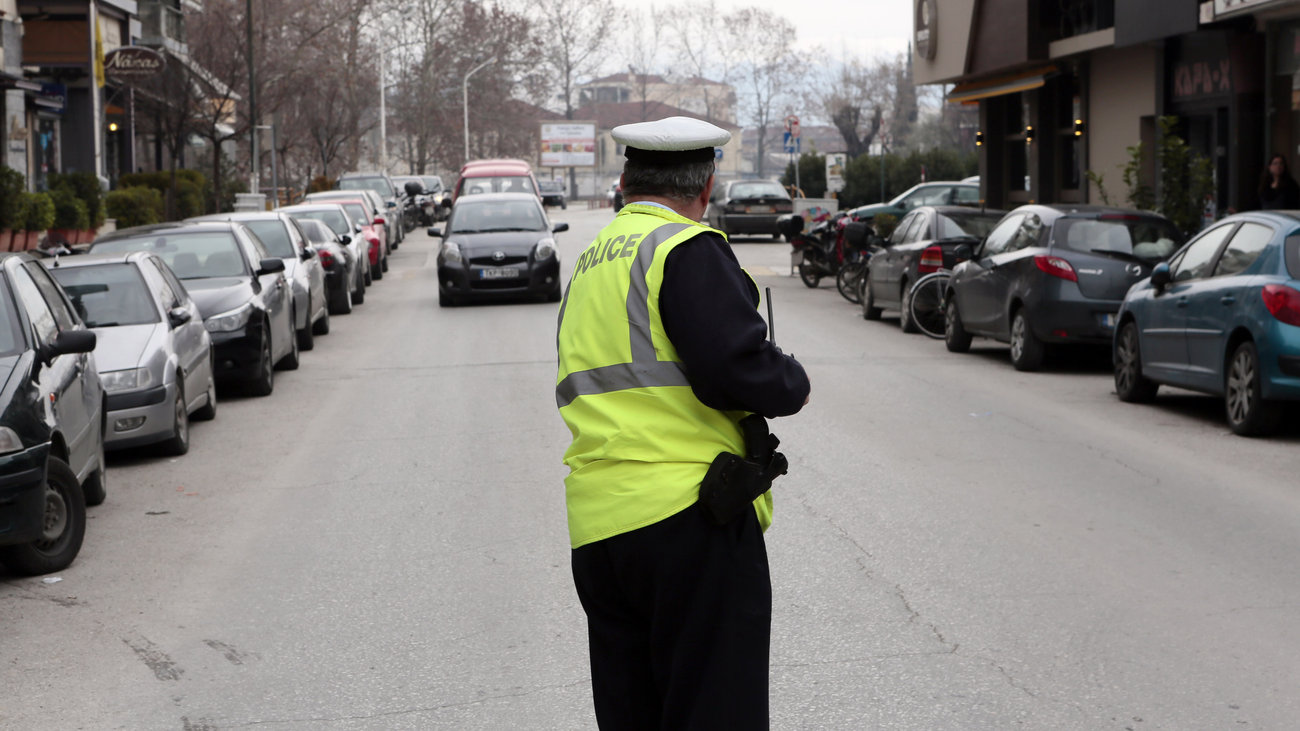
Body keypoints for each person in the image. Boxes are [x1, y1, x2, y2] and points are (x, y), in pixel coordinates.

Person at [555, 116, 811, 729]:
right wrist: (791, 378)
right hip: (687, 520)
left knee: (634, 712)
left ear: (624, 180)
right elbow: (733, 369)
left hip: (600, 529)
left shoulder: (591, 262)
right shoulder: (684, 247)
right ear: (707, 186)